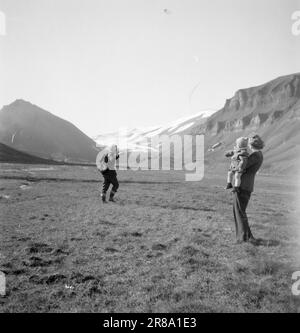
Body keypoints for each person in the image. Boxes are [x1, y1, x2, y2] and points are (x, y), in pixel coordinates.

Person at [232, 134, 264, 244]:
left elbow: (243, 166)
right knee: (241, 211)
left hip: (243, 185)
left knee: (239, 211)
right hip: (247, 185)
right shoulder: (258, 154)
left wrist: (236, 159)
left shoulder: (255, 155)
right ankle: (247, 236)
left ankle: (243, 238)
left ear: (251, 144)